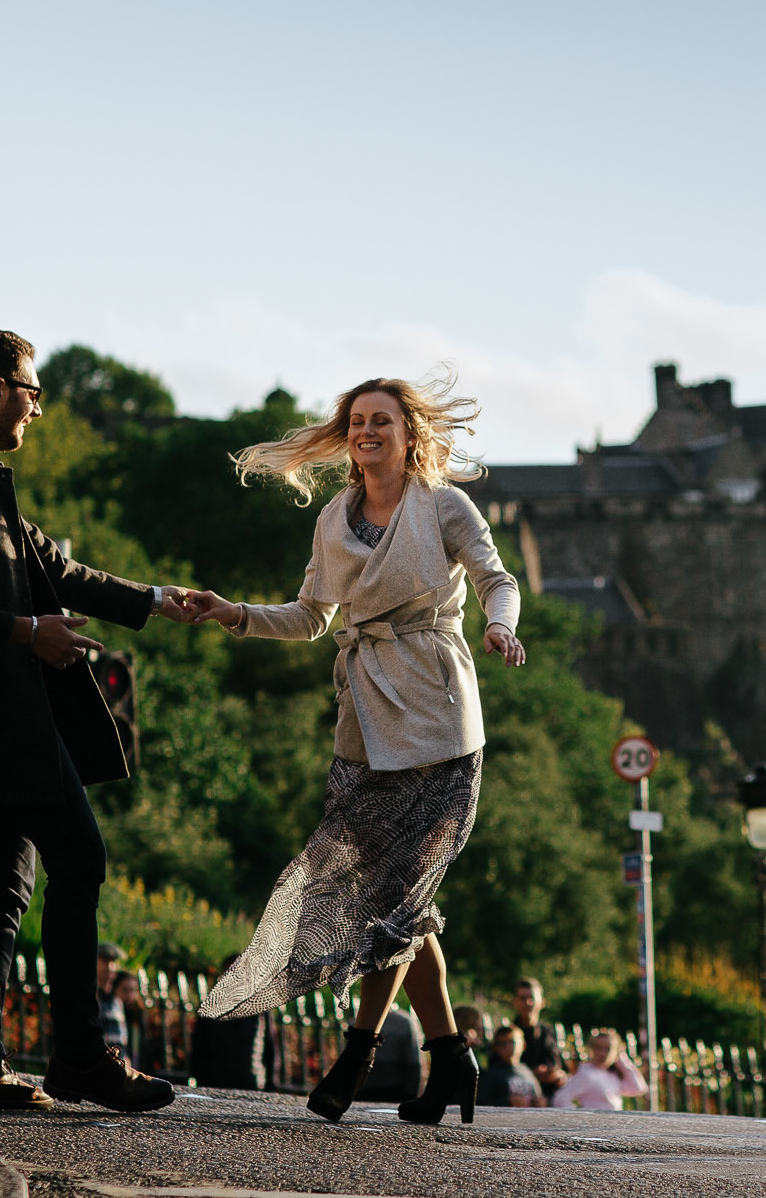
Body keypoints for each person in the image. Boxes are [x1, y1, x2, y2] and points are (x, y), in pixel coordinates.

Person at [172, 372, 525, 1126]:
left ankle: (359, 1053)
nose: (367, 432)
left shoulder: (444, 505)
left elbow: (499, 580)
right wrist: (232, 612)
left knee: (393, 904)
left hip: (438, 724)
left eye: (382, 422)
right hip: (365, 731)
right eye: (357, 421)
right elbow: (309, 616)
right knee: (399, 905)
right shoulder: (334, 518)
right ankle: (452, 1061)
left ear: (408, 436)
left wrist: (500, 625)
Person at [0, 328, 185, 1115]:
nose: (37, 409)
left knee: (7, 883)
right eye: (32, 392)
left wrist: (159, 600)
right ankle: (81, 1056)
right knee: (80, 859)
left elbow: (56, 570)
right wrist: (29, 633)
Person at [550, 1028, 647, 1111]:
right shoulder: (587, 1074)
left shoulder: (611, 1075)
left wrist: (622, 1059)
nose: (603, 1053)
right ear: (591, 1049)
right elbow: (560, 1099)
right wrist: (581, 1117)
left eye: (608, 1049)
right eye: (598, 1048)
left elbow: (638, 1088)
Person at [510, 977, 566, 1096]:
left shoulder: (550, 1032)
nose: (528, 1003)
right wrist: (532, 1074)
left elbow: (563, 1069)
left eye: (532, 998)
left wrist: (558, 1076)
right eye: (523, 998)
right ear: (515, 1002)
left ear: (542, 1002)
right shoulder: (508, 1035)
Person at [477, 1024, 544, 1108]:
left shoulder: (527, 1071)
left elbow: (539, 1096)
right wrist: (507, 1102)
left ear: (524, 1045)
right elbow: (481, 1104)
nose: (508, 1047)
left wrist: (541, 1102)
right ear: (496, 1048)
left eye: (513, 1042)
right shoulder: (491, 1075)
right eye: (503, 1044)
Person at [96, 942, 129, 1055]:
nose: (110, 967)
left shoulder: (116, 1001)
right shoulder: (92, 997)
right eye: (105, 961)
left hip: (118, 1064)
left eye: (113, 962)